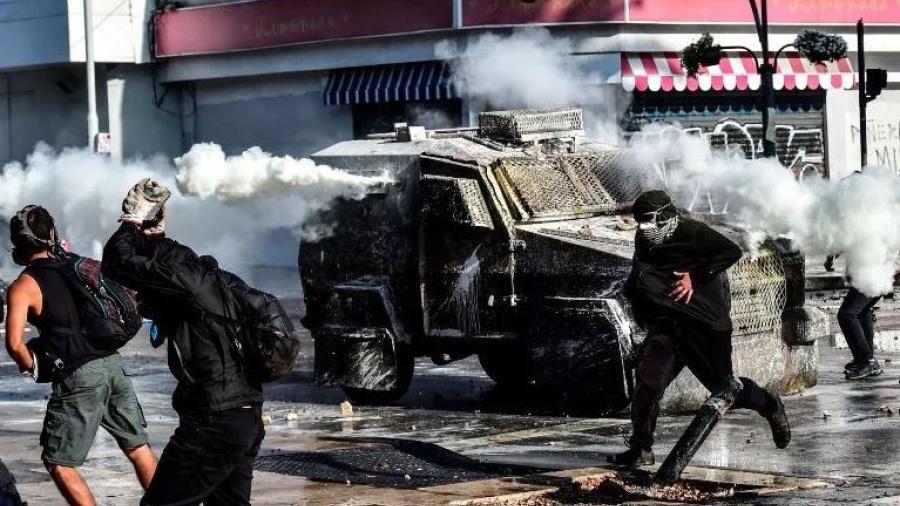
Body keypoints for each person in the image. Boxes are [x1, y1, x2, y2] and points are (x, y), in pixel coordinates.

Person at [101, 179, 265, 506]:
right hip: (244, 412)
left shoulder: (178, 275)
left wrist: (133, 221)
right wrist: (150, 231)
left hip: (214, 418)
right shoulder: (192, 267)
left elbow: (117, 264)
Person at [608, 190, 790, 466]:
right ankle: (641, 448)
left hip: (704, 327)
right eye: (639, 221)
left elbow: (731, 251)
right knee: (648, 385)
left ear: (666, 216)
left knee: (723, 387)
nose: (643, 227)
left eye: (648, 220)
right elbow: (642, 276)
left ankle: (768, 403)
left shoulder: (693, 232)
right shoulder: (645, 238)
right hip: (668, 327)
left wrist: (694, 277)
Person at [3, 205, 156, 505]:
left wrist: (32, 366)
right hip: (112, 364)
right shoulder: (76, 266)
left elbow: (14, 344)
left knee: (60, 463)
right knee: (138, 447)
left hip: (79, 376)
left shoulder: (23, 286)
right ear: (51, 234)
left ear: (18, 244)